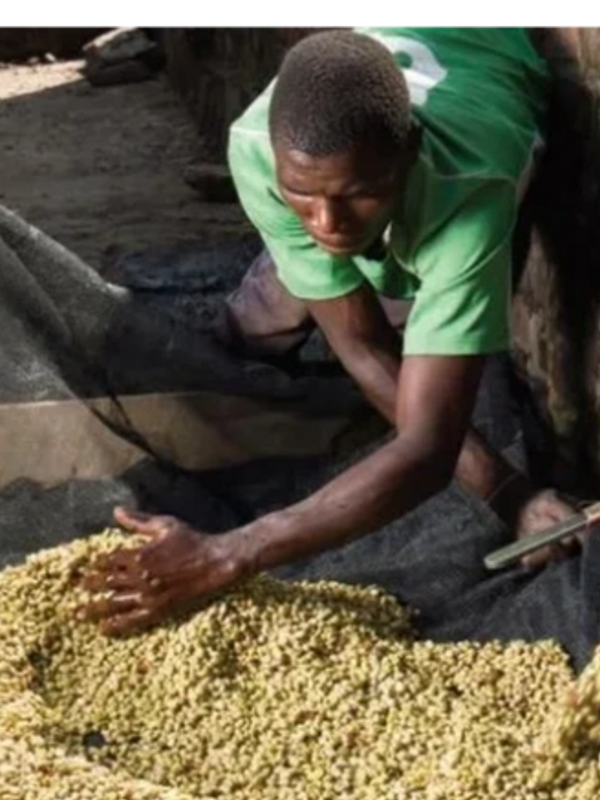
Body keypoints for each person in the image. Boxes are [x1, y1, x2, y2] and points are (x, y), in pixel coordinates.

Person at [83, 23, 581, 637]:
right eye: (302, 196)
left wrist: (234, 549)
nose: (329, 223)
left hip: (478, 87)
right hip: (391, 90)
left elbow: (428, 450)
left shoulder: (469, 196)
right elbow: (360, 345)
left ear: (409, 151)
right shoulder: (258, 149)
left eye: (362, 194)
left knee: (414, 333)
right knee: (265, 322)